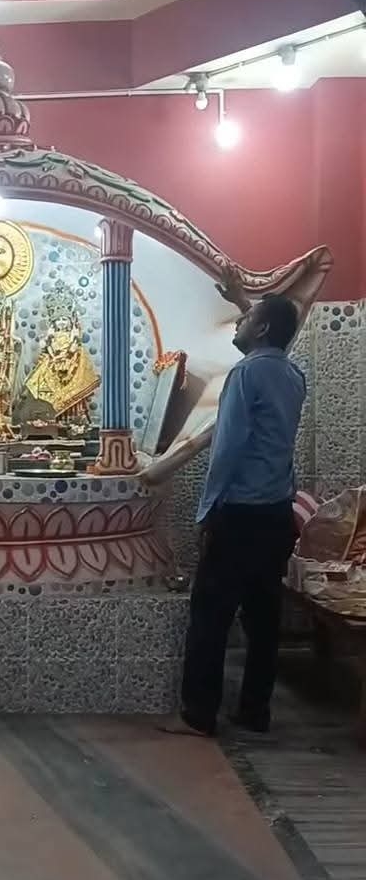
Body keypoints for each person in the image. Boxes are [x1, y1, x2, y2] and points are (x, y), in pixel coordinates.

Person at [164, 269, 304, 737]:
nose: (239, 324)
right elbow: (273, 337)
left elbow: (227, 450)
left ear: (261, 329)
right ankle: (254, 711)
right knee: (263, 619)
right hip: (276, 514)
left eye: (246, 320)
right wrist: (245, 299)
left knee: (211, 615)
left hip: (240, 514)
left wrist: (207, 513)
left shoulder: (245, 374)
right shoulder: (291, 373)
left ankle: (198, 715)